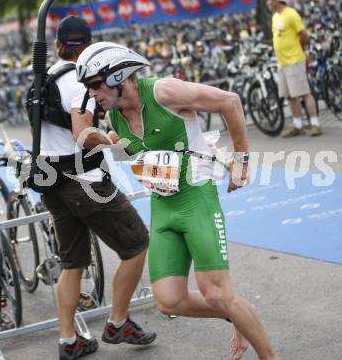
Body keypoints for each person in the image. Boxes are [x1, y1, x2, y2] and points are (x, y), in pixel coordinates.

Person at [76, 41, 279, 360]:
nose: (92, 94)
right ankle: (239, 312)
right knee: (169, 300)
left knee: (214, 291)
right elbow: (132, 144)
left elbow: (230, 101)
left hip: (196, 199)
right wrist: (107, 142)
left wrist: (240, 159)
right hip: (163, 209)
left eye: (94, 85)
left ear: (117, 76)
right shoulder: (114, 117)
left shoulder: (163, 92)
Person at [38, 17, 156, 360]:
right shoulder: (79, 81)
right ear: (88, 44)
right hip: (84, 182)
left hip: (51, 181)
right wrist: (114, 139)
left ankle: (68, 340)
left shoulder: (44, 78)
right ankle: (118, 322)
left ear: (58, 44)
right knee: (136, 242)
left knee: (72, 263)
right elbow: (82, 133)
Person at [260, 0, 322, 137]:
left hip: (294, 60)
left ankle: (315, 124)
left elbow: (304, 36)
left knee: (305, 93)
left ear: (276, 0)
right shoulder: (275, 16)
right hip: (282, 63)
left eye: (270, 0)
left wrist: (299, 51)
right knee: (289, 96)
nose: (268, 2)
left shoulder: (291, 14)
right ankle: (297, 125)